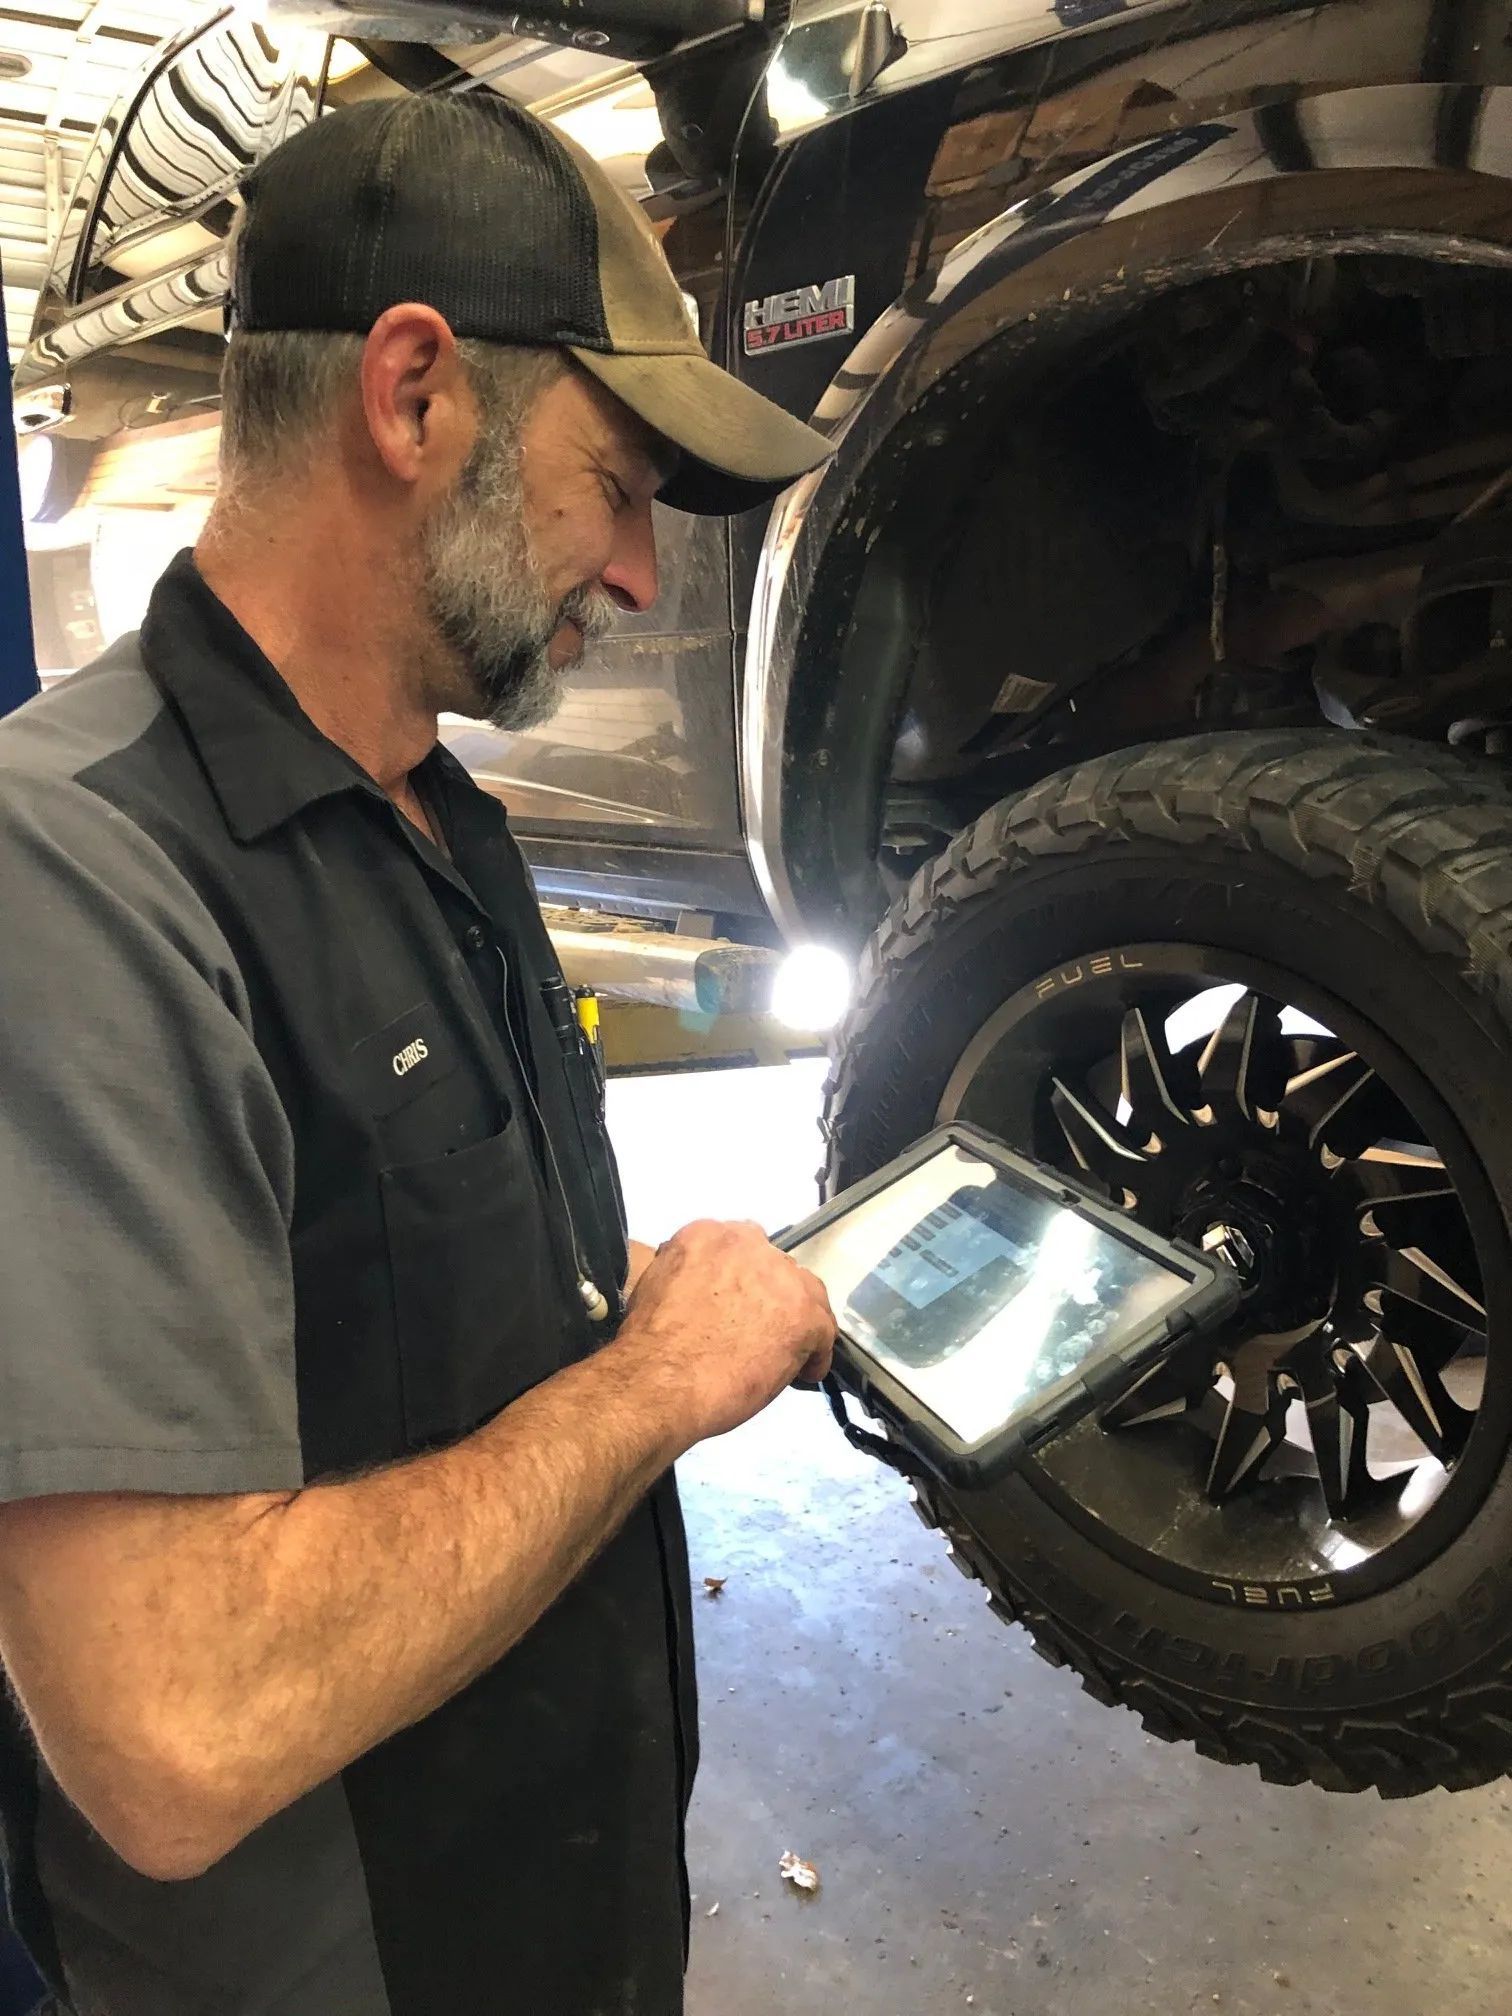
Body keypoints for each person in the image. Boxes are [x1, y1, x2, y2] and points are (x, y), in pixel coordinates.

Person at [0, 89, 837, 2016]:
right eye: (617, 481)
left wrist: (606, 1307)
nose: (636, 573)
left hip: (563, 1913)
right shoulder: (75, 871)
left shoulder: (441, 819)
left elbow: (368, 1313)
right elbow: (172, 1728)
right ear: (412, 398)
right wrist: (650, 1393)